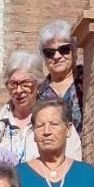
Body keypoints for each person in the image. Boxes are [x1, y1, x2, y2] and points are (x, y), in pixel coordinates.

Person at [0, 52, 53, 164]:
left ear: (39, 84)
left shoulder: (56, 121)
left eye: (26, 83)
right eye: (13, 84)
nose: (19, 90)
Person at [38, 19, 84, 156]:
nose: (57, 56)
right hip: (50, 160)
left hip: (85, 158)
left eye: (64, 50)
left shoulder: (87, 81)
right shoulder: (39, 92)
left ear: (74, 52)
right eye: (49, 52)